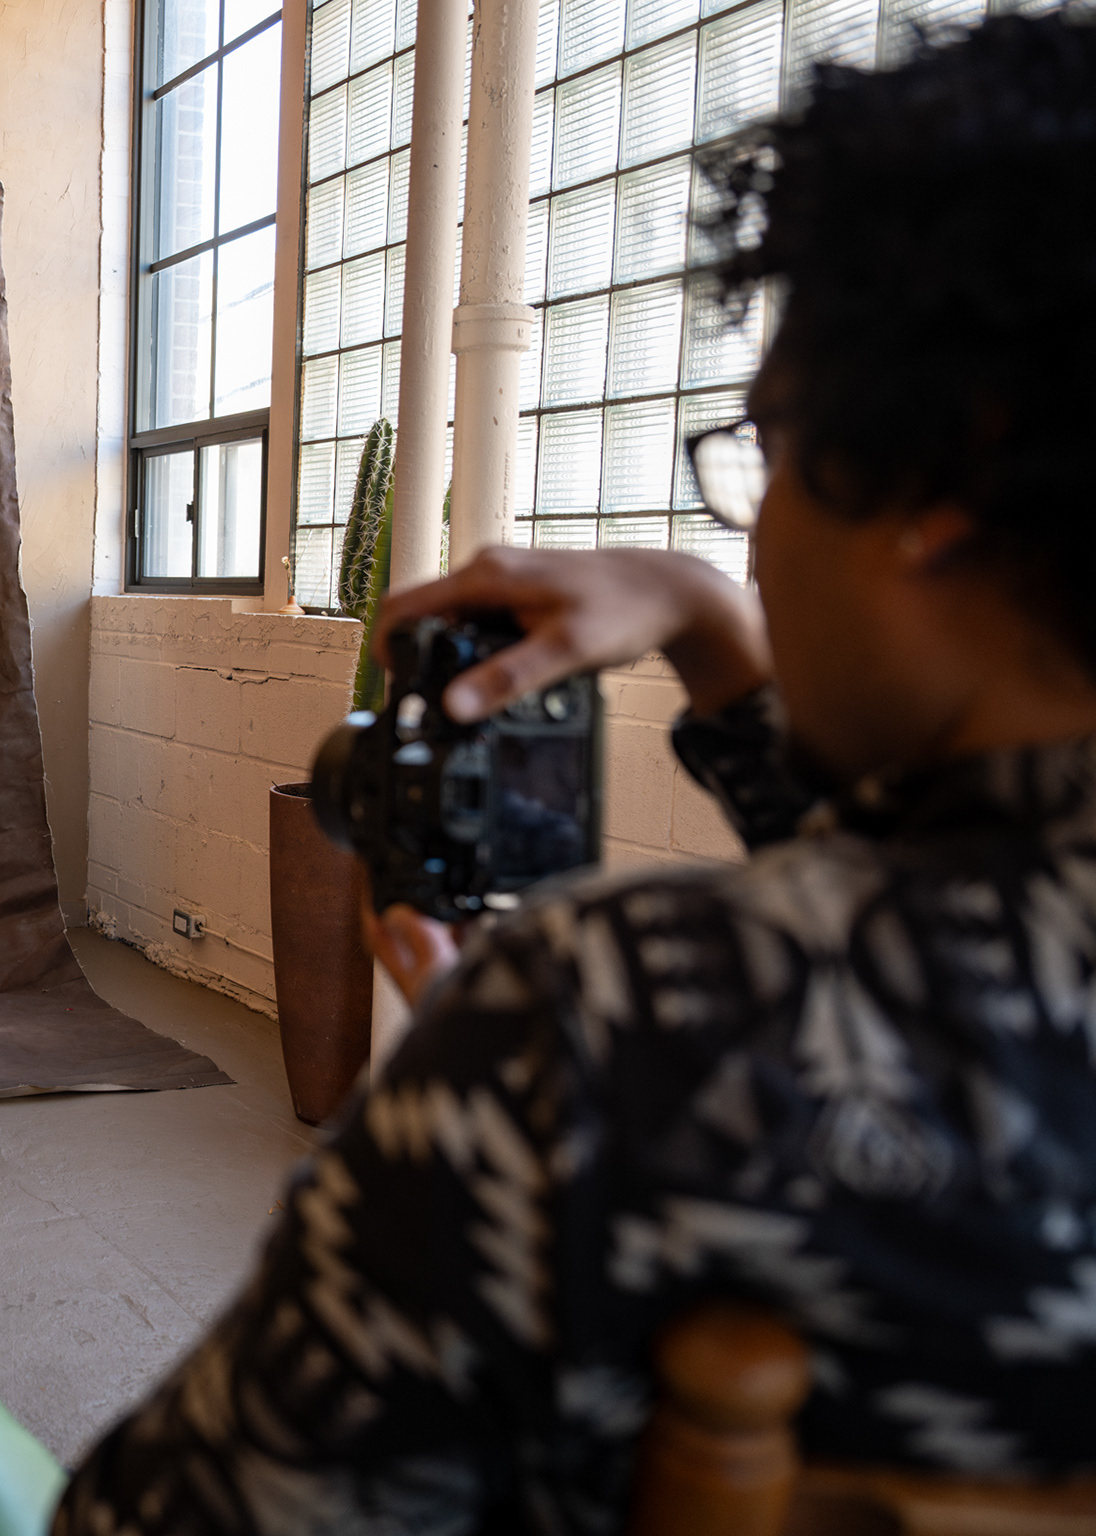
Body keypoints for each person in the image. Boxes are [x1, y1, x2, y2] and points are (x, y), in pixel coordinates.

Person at [54, 12, 1096, 1532]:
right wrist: (714, 633)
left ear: (936, 482)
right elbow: (953, 917)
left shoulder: (612, 1029)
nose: (758, 533)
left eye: (770, 449)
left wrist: (476, 1113)